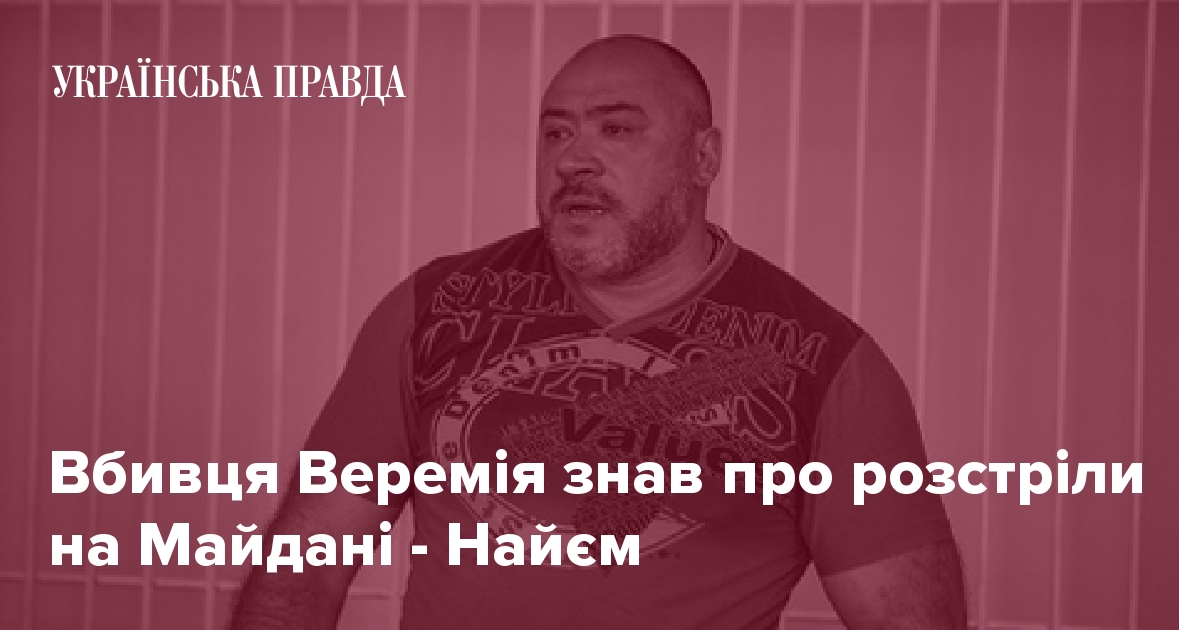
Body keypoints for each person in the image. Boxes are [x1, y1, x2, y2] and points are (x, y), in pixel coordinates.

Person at [230, 35, 967, 629]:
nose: (574, 159)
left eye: (616, 129)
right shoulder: (435, 307)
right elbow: (304, 564)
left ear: (704, 157)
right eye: (557, 132)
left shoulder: (825, 364)